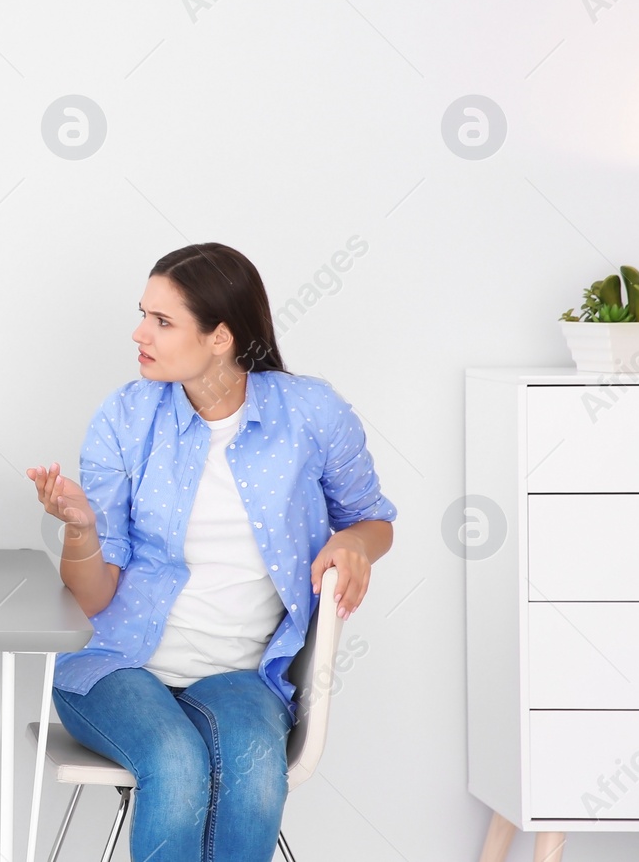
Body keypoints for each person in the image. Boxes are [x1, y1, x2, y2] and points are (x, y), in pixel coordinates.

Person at [27, 242, 395, 861]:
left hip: (244, 676)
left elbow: (373, 520)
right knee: (174, 761)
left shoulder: (311, 412)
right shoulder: (125, 416)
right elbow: (94, 595)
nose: (139, 333)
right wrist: (82, 530)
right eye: (143, 313)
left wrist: (355, 542)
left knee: (253, 773)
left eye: (162, 321)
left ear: (221, 337)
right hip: (118, 668)